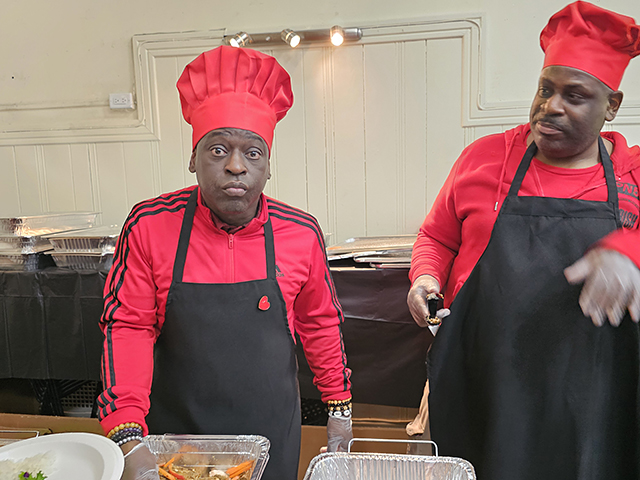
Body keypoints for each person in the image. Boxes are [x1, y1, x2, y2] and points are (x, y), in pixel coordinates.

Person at [96, 45, 353, 480]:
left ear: (268, 167)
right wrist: (127, 435)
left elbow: (320, 324)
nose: (236, 166)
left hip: (271, 432)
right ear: (192, 158)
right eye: (218, 150)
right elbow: (127, 327)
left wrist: (339, 409)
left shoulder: (301, 232)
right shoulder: (149, 225)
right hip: (176, 436)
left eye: (253, 153)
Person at [407, 2, 640, 479]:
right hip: (488, 387)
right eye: (545, 89)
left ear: (612, 105)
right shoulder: (483, 159)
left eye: (575, 95)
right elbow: (436, 236)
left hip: (593, 401)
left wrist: (629, 251)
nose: (551, 106)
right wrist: (424, 278)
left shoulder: (632, 173)